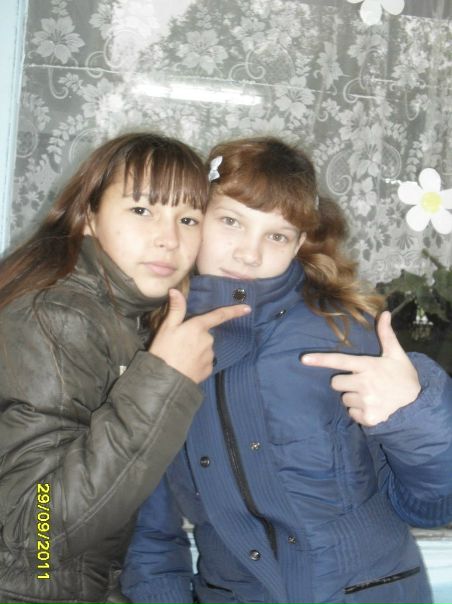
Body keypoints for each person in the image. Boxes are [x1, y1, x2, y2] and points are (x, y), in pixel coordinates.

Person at [121, 136, 452, 604]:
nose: (249, 254)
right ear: (196, 218)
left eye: (276, 236)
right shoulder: (154, 350)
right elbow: (150, 537)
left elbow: (433, 507)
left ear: (299, 244)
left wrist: (413, 416)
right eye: (231, 221)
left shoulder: (347, 334)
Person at [0, 132, 251, 604]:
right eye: (141, 210)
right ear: (88, 216)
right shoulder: (56, 316)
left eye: (188, 219)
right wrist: (166, 380)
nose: (169, 239)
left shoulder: (124, 313)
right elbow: (38, 531)